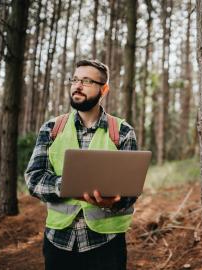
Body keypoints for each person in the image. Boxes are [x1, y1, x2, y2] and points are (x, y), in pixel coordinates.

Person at [25, 59, 137, 270]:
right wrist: (66, 186)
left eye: (86, 81)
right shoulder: (51, 128)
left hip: (107, 243)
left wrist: (114, 201)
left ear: (104, 89)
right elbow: (33, 179)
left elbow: (130, 191)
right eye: (75, 79)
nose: (77, 85)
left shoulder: (122, 131)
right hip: (58, 241)